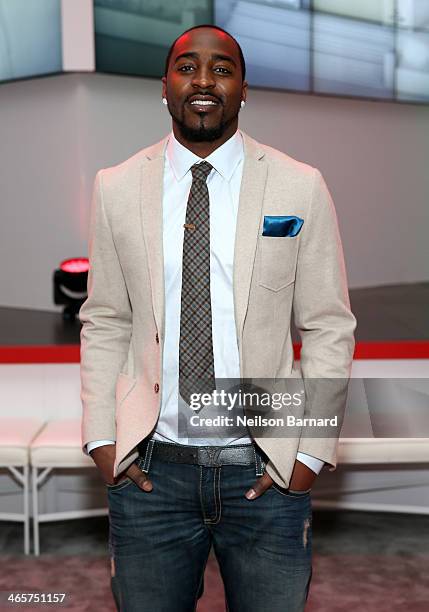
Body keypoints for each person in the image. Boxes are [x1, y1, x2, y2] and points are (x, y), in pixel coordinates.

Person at [79, 24, 356, 612]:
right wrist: (104, 439)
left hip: (267, 468)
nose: (204, 81)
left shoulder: (299, 186)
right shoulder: (116, 187)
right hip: (151, 469)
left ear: (244, 88)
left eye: (222, 69)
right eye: (188, 67)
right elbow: (105, 319)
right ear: (165, 85)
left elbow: (329, 324)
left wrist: (308, 454)